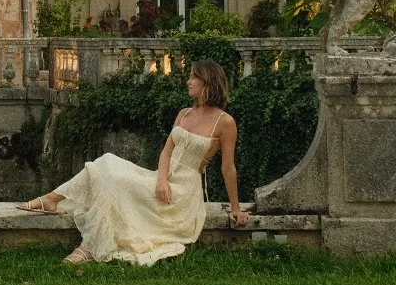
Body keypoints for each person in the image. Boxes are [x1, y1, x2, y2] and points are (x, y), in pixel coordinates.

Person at [18, 59, 250, 264]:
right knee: (107, 162)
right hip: (162, 178)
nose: (188, 81)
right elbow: (167, 151)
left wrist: (236, 209)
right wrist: (161, 179)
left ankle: (87, 245)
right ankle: (54, 200)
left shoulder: (225, 122)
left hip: (184, 190)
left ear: (207, 82)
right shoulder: (185, 113)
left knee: (114, 181)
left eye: (193, 77)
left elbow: (227, 167)